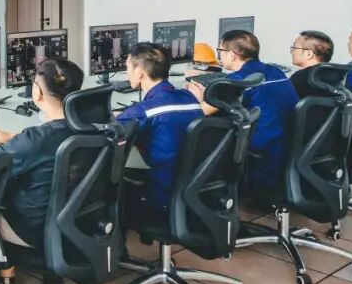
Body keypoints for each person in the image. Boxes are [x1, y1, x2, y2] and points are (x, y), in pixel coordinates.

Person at [0, 57, 84, 247]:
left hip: (32, 230)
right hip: (77, 224)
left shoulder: (35, 139)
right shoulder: (87, 125)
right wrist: (12, 137)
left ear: (38, 92)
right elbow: (47, 141)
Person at [187, 30, 298, 192]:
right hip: (288, 143)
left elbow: (203, 111)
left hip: (263, 149)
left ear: (232, 55)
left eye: (220, 51)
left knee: (199, 132)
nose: (219, 55)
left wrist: (197, 97)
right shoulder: (276, 71)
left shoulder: (238, 80)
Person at [116, 43, 203, 221]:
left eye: (128, 68)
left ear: (139, 72)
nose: (127, 73)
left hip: (162, 191)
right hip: (195, 186)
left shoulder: (144, 111)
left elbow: (113, 131)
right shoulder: (190, 97)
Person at [289, 30, 334, 98]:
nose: (291, 51)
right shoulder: (335, 75)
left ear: (308, 54)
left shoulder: (299, 78)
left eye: (294, 47)